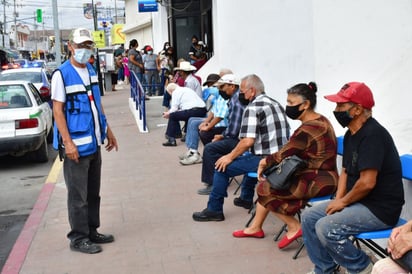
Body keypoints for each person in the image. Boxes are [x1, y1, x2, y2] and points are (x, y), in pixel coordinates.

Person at [301, 82, 405, 274]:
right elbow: (346, 171)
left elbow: (367, 183)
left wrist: (342, 203)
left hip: (380, 209)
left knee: (326, 227)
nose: (336, 110)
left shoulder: (373, 135)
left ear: (357, 109)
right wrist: (339, 200)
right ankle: (325, 269)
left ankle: (362, 268)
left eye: (341, 106)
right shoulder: (351, 134)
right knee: (309, 217)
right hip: (359, 201)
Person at [232, 82, 339, 250]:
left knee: (265, 188)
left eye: (291, 103)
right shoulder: (319, 119)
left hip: (320, 179)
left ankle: (294, 226)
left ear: (305, 104)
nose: (287, 106)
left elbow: (284, 152)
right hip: (319, 175)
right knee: (270, 182)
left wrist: (263, 162)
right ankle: (255, 227)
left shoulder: (309, 128)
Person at [51, 28, 118, 254]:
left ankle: (91, 230)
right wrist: (67, 143)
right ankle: (78, 238)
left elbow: (95, 104)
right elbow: (58, 111)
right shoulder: (61, 74)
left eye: (87, 45)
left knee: (92, 192)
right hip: (76, 146)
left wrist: (107, 129)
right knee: (77, 196)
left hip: (93, 143)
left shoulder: (90, 70)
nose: (83, 50)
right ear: (70, 46)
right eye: (79, 46)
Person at [192, 74, 290, 221]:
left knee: (221, 167)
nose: (241, 95)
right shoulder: (275, 103)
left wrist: (229, 157)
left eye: (242, 92)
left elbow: (247, 141)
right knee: (247, 157)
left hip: (268, 160)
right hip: (283, 157)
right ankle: (245, 198)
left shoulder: (253, 107)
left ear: (252, 90)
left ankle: (214, 210)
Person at [196, 74, 246, 195]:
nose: (220, 90)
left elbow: (234, 129)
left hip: (241, 139)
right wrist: (222, 135)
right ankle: (219, 172)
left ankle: (214, 183)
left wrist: (223, 136)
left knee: (209, 148)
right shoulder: (234, 98)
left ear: (232, 86)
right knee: (210, 139)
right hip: (239, 136)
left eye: (222, 87)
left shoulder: (236, 101)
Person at [179, 73, 228, 165]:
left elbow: (220, 116)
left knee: (195, 124)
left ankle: (195, 153)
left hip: (222, 124)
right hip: (213, 120)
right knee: (192, 120)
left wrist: (208, 125)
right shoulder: (218, 96)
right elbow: (213, 112)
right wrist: (206, 122)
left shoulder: (224, 97)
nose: (211, 88)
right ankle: (191, 150)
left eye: (213, 85)